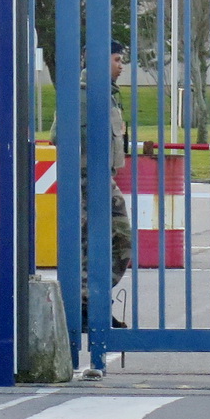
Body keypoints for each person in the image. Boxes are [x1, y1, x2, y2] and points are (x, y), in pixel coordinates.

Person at [53, 41, 132, 328]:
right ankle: (86, 310)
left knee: (119, 241)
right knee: (89, 247)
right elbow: (58, 135)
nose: (121, 65)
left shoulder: (107, 95)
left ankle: (92, 303)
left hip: (102, 179)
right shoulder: (82, 95)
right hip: (85, 180)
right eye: (116, 59)